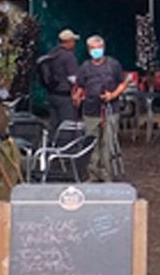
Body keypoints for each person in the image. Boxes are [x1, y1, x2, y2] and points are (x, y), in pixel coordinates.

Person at [74, 35, 128, 182]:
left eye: (99, 48)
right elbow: (80, 86)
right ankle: (93, 174)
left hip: (110, 109)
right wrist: (77, 97)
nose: (96, 51)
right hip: (90, 110)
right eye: (93, 48)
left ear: (103, 48)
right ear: (88, 49)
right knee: (92, 143)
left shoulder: (113, 65)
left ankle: (107, 175)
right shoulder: (84, 67)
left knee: (108, 142)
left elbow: (123, 84)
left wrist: (113, 95)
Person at [41, 29, 81, 130]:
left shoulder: (52, 53)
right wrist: (77, 94)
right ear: (69, 41)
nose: (74, 43)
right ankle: (66, 145)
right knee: (68, 126)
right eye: (73, 41)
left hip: (52, 94)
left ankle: (52, 144)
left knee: (54, 124)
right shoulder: (68, 56)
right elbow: (73, 79)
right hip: (65, 97)